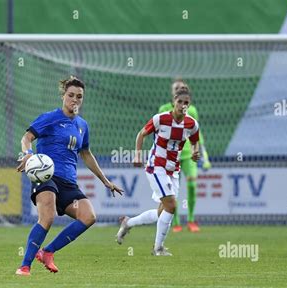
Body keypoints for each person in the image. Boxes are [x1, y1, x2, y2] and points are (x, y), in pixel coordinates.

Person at [15, 76, 124, 276]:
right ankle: (24, 266)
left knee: (88, 216)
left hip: (68, 182)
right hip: (45, 176)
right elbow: (27, 138)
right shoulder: (50, 118)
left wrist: (106, 181)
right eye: (71, 95)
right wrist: (28, 155)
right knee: (47, 218)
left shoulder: (83, 125)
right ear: (63, 96)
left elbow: (86, 154)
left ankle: (47, 252)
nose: (74, 100)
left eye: (79, 97)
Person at [116, 87, 200, 255]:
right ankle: (158, 248)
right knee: (172, 206)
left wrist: (195, 151)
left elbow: (194, 140)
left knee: (162, 211)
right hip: (156, 166)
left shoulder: (191, 123)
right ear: (174, 102)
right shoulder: (160, 119)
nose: (183, 105)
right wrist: (137, 155)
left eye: (186, 103)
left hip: (173, 170)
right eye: (180, 102)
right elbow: (141, 134)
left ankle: (128, 223)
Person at [158, 79, 211, 233]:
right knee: (173, 190)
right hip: (171, 155)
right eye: (176, 88)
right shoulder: (164, 109)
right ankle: (175, 223)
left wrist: (204, 155)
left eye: (181, 88)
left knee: (192, 184)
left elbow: (197, 133)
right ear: (172, 93)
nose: (178, 90)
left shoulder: (192, 110)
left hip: (188, 155)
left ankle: (191, 220)